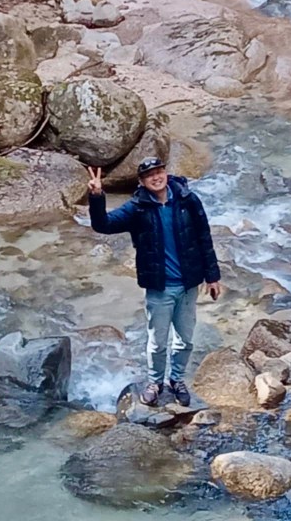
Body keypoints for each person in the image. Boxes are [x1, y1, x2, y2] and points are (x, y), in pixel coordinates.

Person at [87, 157, 222, 407]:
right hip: (159, 287)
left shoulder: (187, 200)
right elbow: (103, 225)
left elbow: (204, 236)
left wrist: (212, 276)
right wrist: (96, 196)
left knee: (185, 339)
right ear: (141, 181)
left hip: (188, 284)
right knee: (158, 342)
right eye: (149, 175)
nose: (156, 177)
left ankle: (177, 380)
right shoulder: (137, 209)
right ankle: (154, 382)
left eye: (159, 172)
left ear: (166, 173)